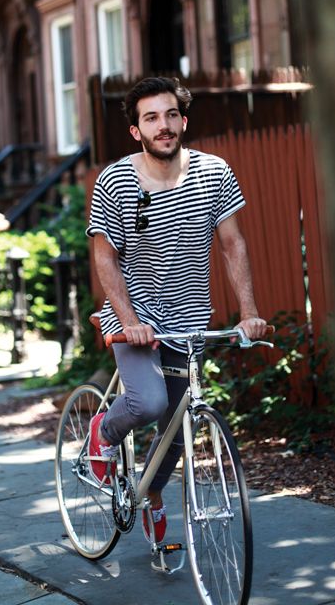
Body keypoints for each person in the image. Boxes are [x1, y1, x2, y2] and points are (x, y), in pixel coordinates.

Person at [86, 76, 267, 543]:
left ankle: (151, 495)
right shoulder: (116, 179)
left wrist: (249, 311)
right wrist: (128, 321)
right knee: (149, 402)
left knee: (177, 421)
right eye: (151, 118)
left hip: (189, 321)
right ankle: (102, 433)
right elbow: (105, 255)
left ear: (183, 121)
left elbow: (232, 244)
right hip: (135, 314)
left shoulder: (214, 172)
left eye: (170, 115)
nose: (163, 126)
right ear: (136, 131)